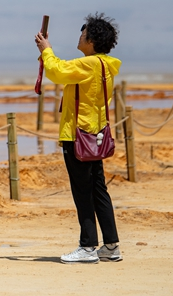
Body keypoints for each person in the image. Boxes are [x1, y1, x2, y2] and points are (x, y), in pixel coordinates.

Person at [35, 13, 122, 264]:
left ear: (91, 41)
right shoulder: (105, 65)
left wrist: (46, 50)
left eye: (83, 34)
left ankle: (87, 247)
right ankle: (111, 246)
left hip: (78, 136)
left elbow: (57, 71)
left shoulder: (89, 64)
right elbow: (63, 71)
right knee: (98, 190)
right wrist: (46, 52)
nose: (79, 38)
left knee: (83, 192)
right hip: (95, 134)